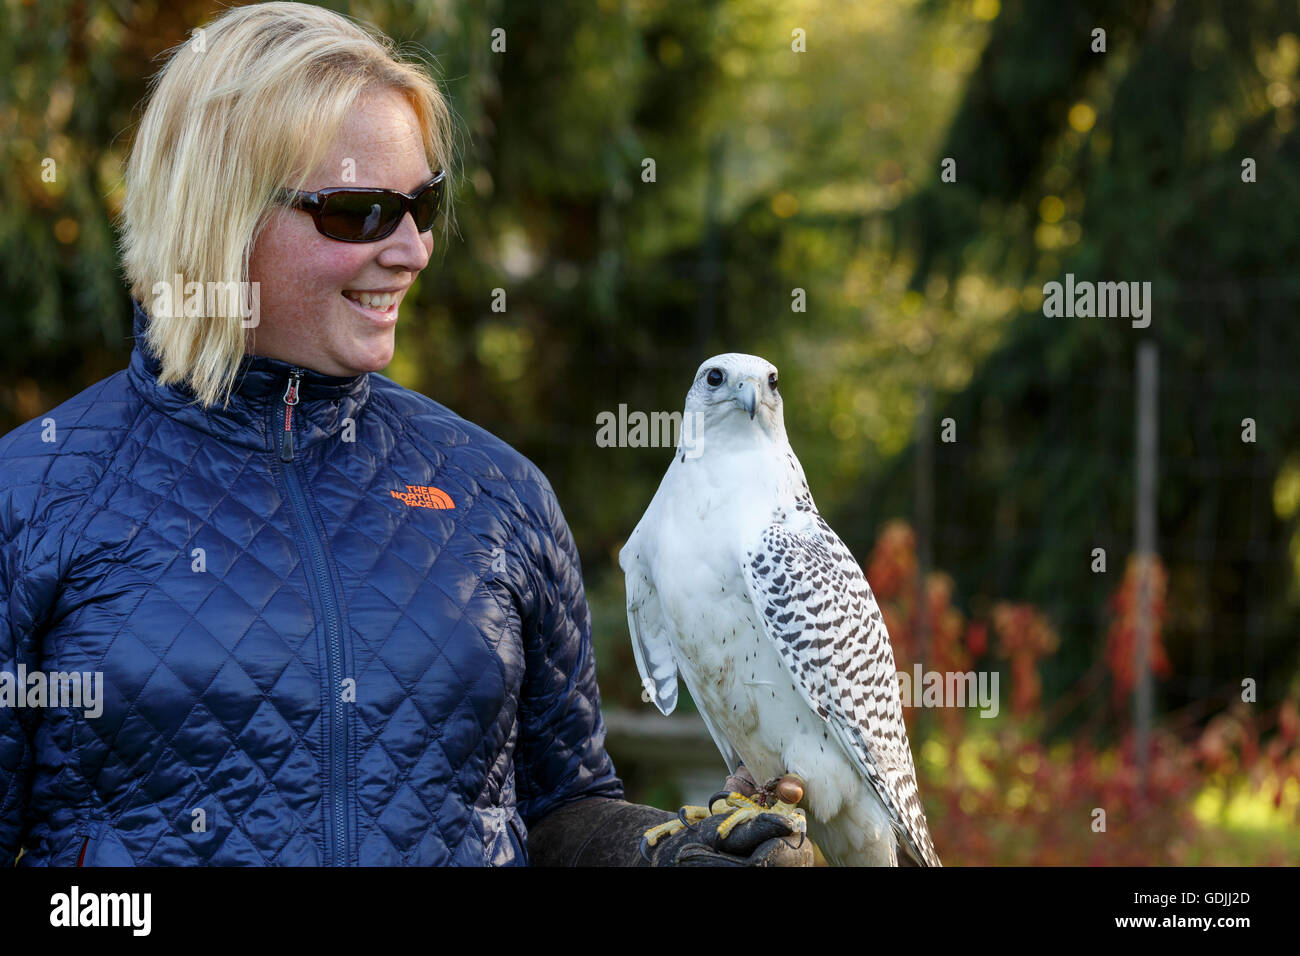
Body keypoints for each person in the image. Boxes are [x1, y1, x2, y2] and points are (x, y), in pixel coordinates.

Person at [0, 1, 809, 867]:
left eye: (423, 203)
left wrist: (660, 857)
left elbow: (560, 806)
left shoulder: (496, 493)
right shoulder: (35, 492)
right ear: (217, 214)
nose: (415, 249)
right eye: (360, 213)